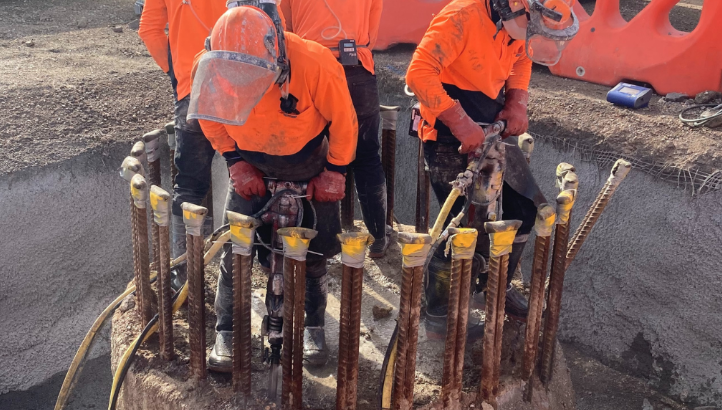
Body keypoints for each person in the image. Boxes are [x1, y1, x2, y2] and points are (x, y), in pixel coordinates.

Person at [187, 4, 358, 371]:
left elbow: (345, 122)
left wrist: (335, 172)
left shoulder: (315, 62)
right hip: (251, 164)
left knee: (316, 253)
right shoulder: (210, 66)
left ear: (277, 50)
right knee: (236, 250)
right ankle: (227, 331)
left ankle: (313, 324)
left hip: (308, 162)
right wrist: (235, 162)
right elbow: (209, 118)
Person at [405, 0, 578, 338]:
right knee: (462, 227)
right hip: (447, 133)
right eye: (531, 28)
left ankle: (491, 288)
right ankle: (438, 315)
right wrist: (458, 121)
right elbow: (419, 74)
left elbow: (522, 57)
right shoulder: (461, 17)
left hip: (489, 127)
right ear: (513, 7)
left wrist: (517, 100)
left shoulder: (517, 24)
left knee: (523, 210)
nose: (532, 36)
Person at [279, 0, 390, 258]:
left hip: (308, 69)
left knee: (311, 154)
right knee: (366, 156)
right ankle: (377, 237)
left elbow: (285, 27)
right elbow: (372, 25)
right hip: (356, 67)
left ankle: (315, 242)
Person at [138, 0, 227, 283]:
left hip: (192, 86)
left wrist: (175, 71)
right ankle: (236, 266)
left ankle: (184, 270)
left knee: (188, 184)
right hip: (240, 84)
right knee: (245, 175)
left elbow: (149, 30)